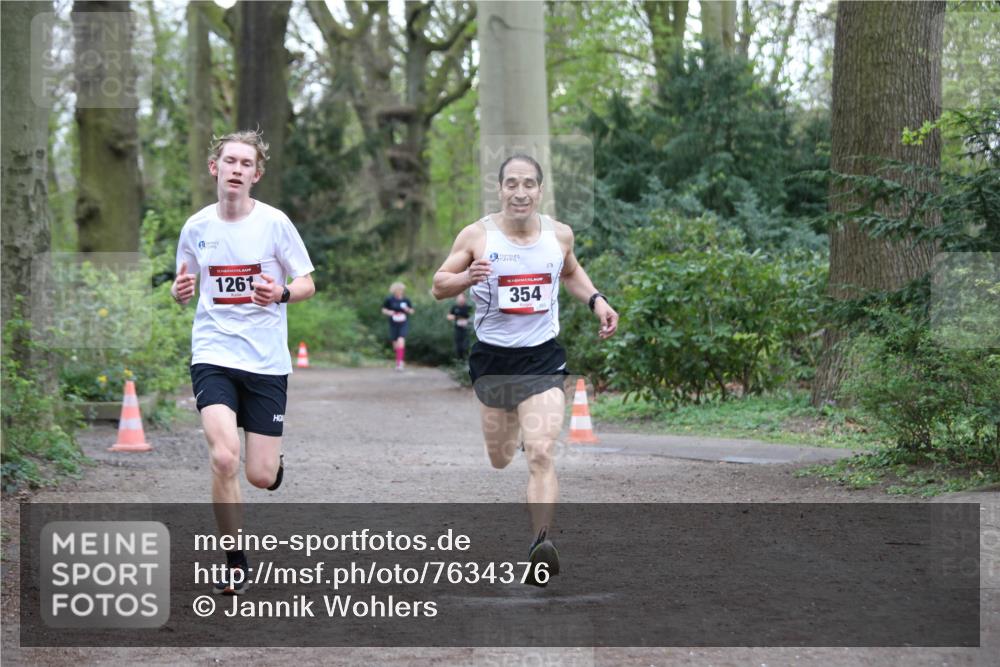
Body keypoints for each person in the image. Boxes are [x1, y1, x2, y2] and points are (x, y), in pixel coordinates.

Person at [431, 154, 618, 586]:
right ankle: (512, 430)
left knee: (540, 452)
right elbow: (439, 284)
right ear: (499, 189)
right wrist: (466, 279)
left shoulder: (560, 235)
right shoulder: (477, 235)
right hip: (494, 362)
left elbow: (570, 272)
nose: (520, 192)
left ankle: (540, 543)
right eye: (511, 184)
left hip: (543, 359)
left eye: (529, 184)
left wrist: (597, 300)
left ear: (539, 190)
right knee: (500, 459)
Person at [171, 130, 315, 595]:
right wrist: (179, 292)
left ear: (256, 174)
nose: (236, 169)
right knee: (222, 456)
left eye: (245, 163)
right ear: (215, 168)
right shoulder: (196, 228)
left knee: (259, 474)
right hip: (212, 352)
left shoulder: (274, 223)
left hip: (266, 361)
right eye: (229, 161)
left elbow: (308, 282)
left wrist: (283, 293)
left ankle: (272, 465)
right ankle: (235, 561)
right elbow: (185, 282)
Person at [381, 281, 415, 371]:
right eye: (399, 290)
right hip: (393, 323)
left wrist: (407, 309)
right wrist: (389, 312)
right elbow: (384, 309)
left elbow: (412, 311)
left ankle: (400, 363)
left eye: (402, 290)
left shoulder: (406, 300)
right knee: (395, 345)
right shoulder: (389, 299)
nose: (401, 292)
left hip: (403, 322)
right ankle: (398, 359)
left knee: (401, 340)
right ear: (394, 290)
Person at [446, 292, 472, 360]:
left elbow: (473, 317)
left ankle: (466, 361)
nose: (460, 299)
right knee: (458, 346)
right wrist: (457, 317)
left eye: (462, 298)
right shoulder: (454, 307)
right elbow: (448, 316)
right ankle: (459, 361)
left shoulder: (468, 307)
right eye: (459, 298)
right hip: (458, 329)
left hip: (467, 330)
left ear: (465, 299)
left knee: (466, 346)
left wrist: (467, 320)